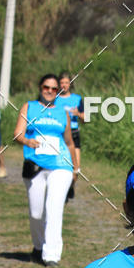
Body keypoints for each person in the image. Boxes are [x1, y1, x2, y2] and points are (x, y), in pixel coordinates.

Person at [13, 73, 76, 265]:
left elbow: (70, 143)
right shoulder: (29, 107)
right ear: (40, 88)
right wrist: (27, 141)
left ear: (58, 91)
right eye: (46, 88)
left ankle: (51, 255)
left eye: (54, 89)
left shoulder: (63, 113)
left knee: (54, 208)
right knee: (36, 213)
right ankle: (39, 246)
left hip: (61, 165)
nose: (49, 91)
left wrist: (76, 168)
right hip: (35, 165)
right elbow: (17, 134)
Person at [56, 71, 84, 200]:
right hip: (60, 134)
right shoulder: (54, 98)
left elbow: (85, 118)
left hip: (74, 133)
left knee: (76, 167)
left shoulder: (77, 99)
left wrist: (78, 114)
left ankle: (71, 186)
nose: (64, 85)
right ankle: (61, 190)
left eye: (66, 83)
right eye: (61, 82)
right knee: (60, 164)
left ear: (70, 84)